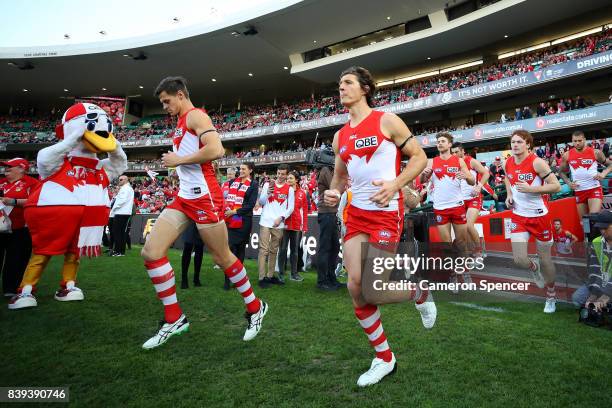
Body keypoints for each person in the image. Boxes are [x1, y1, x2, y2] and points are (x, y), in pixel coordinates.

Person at [324, 66, 436, 387]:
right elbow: (340, 175)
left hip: (386, 213)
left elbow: (419, 158)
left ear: (365, 88)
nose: (341, 88)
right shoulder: (339, 136)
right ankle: (384, 357)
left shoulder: (386, 120)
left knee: (374, 289)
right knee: (355, 288)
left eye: (347, 83)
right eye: (339, 84)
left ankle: (419, 291)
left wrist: (395, 183)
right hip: (356, 214)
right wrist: (334, 191)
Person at [140, 76, 268, 349]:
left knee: (223, 258)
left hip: (205, 198)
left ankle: (255, 308)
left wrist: (179, 161)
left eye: (167, 101)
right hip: (184, 197)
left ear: (181, 95)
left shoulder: (196, 116)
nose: (164, 106)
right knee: (151, 252)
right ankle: (174, 318)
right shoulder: (180, 121)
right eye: (162, 102)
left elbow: (216, 149)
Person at [504, 129, 561, 313]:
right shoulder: (508, 162)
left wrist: (531, 190)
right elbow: (508, 178)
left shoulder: (537, 162)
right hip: (519, 216)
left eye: (519, 142)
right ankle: (533, 266)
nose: (515, 145)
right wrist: (510, 194)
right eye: (513, 142)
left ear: (528, 144)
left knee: (546, 260)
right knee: (519, 259)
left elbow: (556, 186)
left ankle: (551, 295)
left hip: (539, 217)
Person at [0, 158, 39, 296]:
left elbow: (36, 201)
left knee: (16, 259)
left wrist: (13, 201)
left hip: (21, 229)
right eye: (5, 166)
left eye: (10, 166)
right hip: (1, 228)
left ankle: (11, 289)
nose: (6, 169)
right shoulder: (1, 182)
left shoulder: (32, 183)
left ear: (22, 168)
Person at [558, 130, 611, 222]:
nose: (577, 143)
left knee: (594, 219)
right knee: (584, 223)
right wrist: (569, 183)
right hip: (579, 191)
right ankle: (587, 236)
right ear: (572, 141)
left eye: (579, 141)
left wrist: (603, 173)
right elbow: (561, 172)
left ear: (584, 140)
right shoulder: (567, 155)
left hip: (594, 189)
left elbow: (610, 165)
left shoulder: (595, 152)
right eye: (575, 141)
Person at [257, 164, 294, 287]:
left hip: (278, 223)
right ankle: (262, 278)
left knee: (274, 250)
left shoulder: (289, 189)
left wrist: (282, 217)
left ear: (287, 174)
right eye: (278, 173)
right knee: (263, 250)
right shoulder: (268, 184)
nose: (280, 176)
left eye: (283, 174)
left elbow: (291, 208)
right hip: (265, 221)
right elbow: (261, 202)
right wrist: (267, 193)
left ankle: (270, 275)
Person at [451, 143, 490, 258]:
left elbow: (486, 173)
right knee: (463, 227)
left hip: (474, 197)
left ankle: (479, 250)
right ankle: (471, 250)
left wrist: (479, 186)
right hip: (460, 199)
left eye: (456, 152)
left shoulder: (471, 161)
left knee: (468, 225)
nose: (454, 154)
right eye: (452, 152)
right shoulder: (453, 163)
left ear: (462, 151)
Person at [224, 162, 258, 290]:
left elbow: (250, 205)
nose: (241, 171)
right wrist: (229, 211)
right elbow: (225, 199)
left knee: (240, 250)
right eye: (240, 169)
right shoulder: (232, 182)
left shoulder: (253, 184)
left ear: (250, 170)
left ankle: (238, 280)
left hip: (243, 220)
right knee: (230, 249)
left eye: (244, 169)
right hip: (231, 220)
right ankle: (227, 279)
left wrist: (235, 211)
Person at [571, 211, 612, 308]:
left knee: (605, 298)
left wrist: (606, 294)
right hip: (601, 280)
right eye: (600, 228)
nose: (602, 231)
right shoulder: (596, 241)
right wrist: (594, 294)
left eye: (605, 228)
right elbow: (594, 269)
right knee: (577, 299)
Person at [317, 165, 343, 290]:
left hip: (332, 213)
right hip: (326, 212)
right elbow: (334, 187)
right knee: (325, 247)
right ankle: (322, 280)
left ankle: (331, 277)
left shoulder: (331, 170)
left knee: (334, 247)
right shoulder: (325, 170)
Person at [278, 170, 307, 282]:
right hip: (284, 224)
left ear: (296, 180)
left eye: (291, 178)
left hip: (296, 225)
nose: (288, 180)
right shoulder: (283, 190)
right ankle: (281, 273)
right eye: (288, 178)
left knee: (295, 251)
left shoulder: (302, 193)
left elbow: (304, 211)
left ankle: (294, 274)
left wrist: (304, 227)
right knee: (283, 249)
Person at [109, 175, 134, 256]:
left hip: (121, 212)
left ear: (126, 180)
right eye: (119, 179)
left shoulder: (126, 188)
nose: (119, 181)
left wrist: (114, 209)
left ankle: (118, 251)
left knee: (118, 233)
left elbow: (122, 200)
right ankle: (120, 251)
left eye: (121, 179)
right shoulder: (127, 188)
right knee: (121, 233)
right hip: (123, 212)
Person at [180, 222, 204, 289]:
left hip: (201, 223)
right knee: (187, 249)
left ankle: (196, 279)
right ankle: (184, 279)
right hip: (190, 223)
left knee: (199, 251)